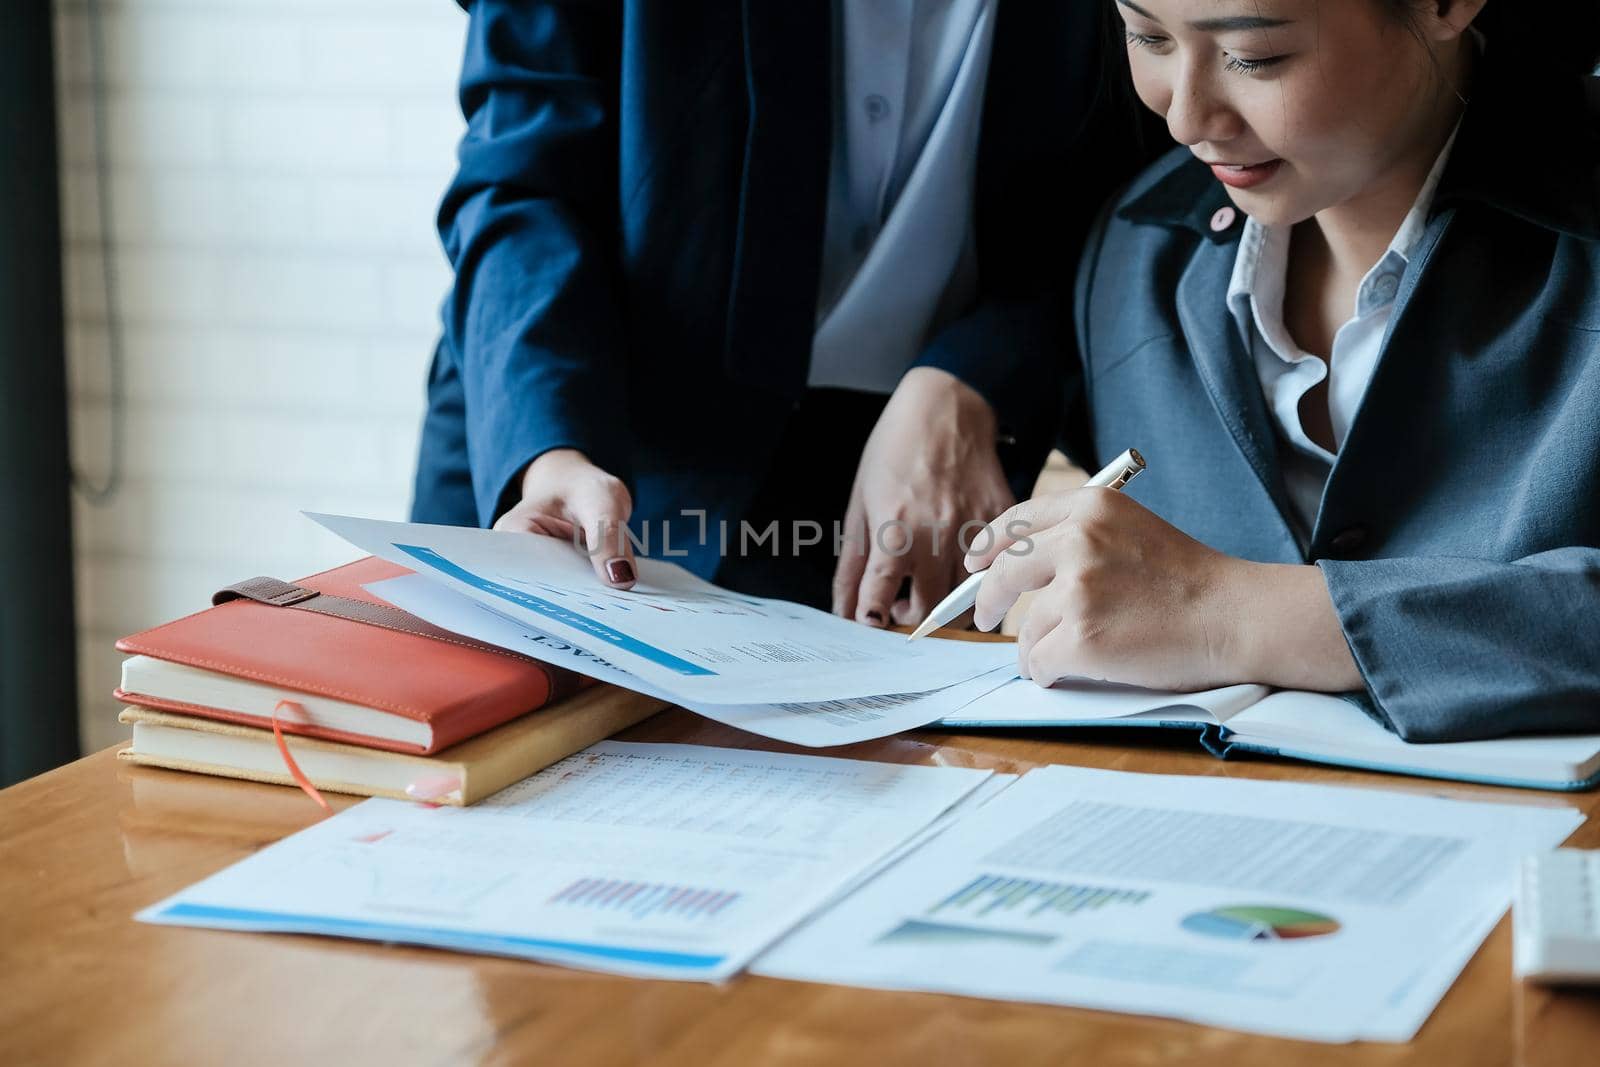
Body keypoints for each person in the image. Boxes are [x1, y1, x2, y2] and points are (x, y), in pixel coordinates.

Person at [410, 2, 1159, 626]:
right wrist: (550, 449)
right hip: (571, 427)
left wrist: (978, 374)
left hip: (917, 469)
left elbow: (1137, 176)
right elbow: (522, 177)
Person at [971, 0, 1600, 742]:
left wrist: (1235, 612)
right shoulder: (1138, 253)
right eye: (1148, 36)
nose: (1187, 119)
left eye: (1254, 56)